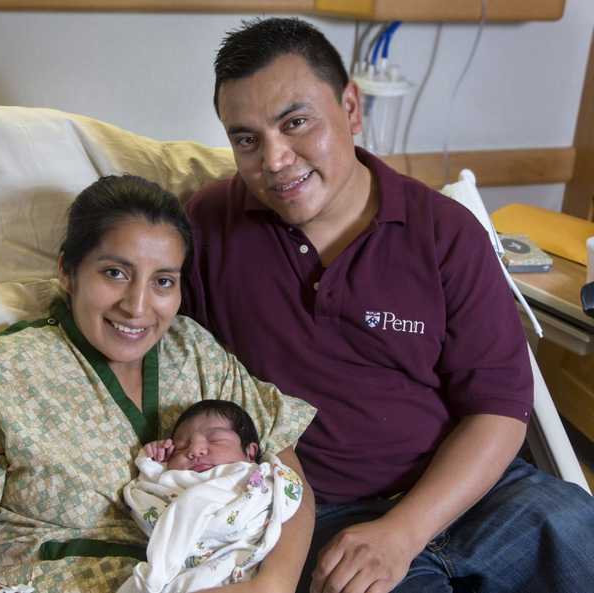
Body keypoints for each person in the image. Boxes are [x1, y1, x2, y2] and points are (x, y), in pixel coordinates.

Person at [182, 16, 594, 593]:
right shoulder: (207, 229)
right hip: (325, 516)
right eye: (246, 139)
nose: (274, 160)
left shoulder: (445, 233)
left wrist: (403, 532)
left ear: (351, 108)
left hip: (475, 493)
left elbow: (500, 410)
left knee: (578, 527)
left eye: (296, 123)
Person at [0, 175, 316, 593]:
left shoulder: (195, 352)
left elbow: (286, 476)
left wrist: (271, 585)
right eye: (115, 273)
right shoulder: (0, 374)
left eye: (163, 281)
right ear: (68, 271)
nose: (137, 306)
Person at [119, 400, 304, 593]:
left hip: (241, 564)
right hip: (184, 571)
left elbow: (288, 494)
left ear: (250, 452)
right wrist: (152, 461)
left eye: (215, 440)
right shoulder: (173, 479)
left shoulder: (254, 476)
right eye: (181, 447)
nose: (194, 450)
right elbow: (144, 496)